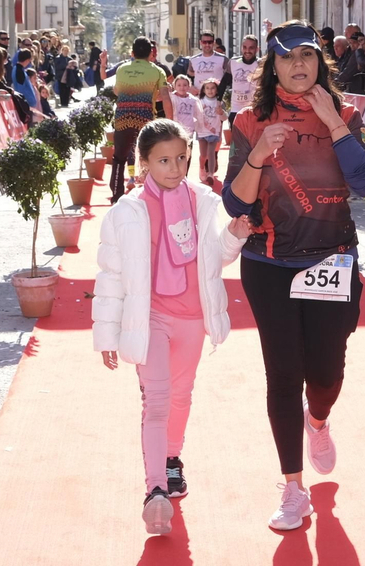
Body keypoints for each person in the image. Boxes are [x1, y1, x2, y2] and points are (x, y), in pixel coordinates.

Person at [221, 21, 365, 530]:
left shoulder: (346, 114)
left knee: (327, 374)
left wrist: (332, 121)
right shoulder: (249, 120)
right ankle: (293, 488)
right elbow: (234, 202)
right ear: (272, 65)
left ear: (320, 62)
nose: (298, 65)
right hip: (269, 264)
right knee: (284, 376)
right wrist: (258, 155)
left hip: (332, 261)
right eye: (287, 57)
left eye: (307, 55)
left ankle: (320, 419)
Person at [93, 118, 253, 534]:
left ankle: (171, 460)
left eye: (181, 158)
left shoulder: (203, 201)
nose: (175, 168)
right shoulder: (126, 212)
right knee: (158, 401)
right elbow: (111, 276)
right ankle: (155, 490)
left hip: (193, 317)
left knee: (181, 396)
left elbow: (215, 256)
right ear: (144, 162)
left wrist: (234, 235)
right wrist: (107, 334)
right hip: (150, 319)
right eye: (164, 160)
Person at [112, 38, 172, 202]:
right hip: (145, 120)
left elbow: (117, 91)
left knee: (119, 158)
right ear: (151, 53)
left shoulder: (122, 69)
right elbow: (166, 98)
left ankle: (116, 196)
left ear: (132, 53)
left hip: (122, 118)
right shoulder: (157, 71)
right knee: (151, 158)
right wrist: (171, 123)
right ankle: (151, 195)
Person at [224, 35, 260, 130]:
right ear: (241, 48)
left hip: (254, 109)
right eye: (244, 47)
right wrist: (218, 101)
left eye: (251, 48)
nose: (247, 51)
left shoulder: (260, 64)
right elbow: (224, 82)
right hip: (236, 109)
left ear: (257, 49)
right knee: (236, 138)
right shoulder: (233, 62)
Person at [196, 79, 224, 186]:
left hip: (214, 131)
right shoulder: (200, 101)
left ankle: (211, 174)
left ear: (217, 90)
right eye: (207, 88)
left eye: (213, 88)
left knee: (211, 153)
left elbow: (224, 118)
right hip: (202, 131)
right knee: (203, 155)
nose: (210, 90)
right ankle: (201, 168)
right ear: (203, 90)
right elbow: (195, 114)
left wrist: (221, 113)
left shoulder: (219, 102)